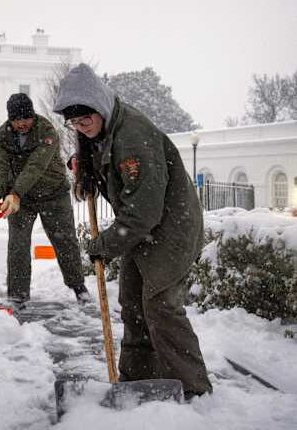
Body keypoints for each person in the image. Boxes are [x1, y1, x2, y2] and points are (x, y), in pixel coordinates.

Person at [53, 63, 212, 398]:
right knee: (132, 302)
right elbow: (107, 167)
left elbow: (144, 212)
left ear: (100, 108)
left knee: (160, 305)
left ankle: (195, 391)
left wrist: (104, 245)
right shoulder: (105, 129)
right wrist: (80, 164)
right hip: (142, 230)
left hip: (170, 229)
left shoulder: (134, 138)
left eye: (85, 120)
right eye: (75, 123)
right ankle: (138, 381)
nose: (81, 128)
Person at [0, 93, 90, 305]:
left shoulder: (46, 131)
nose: (21, 123)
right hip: (21, 201)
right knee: (18, 245)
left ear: (32, 116)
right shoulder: (2, 136)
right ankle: (18, 295)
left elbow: (36, 166)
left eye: (25, 118)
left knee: (65, 241)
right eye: (16, 120)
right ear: (10, 119)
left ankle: (78, 287)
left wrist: (15, 193)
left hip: (53, 194)